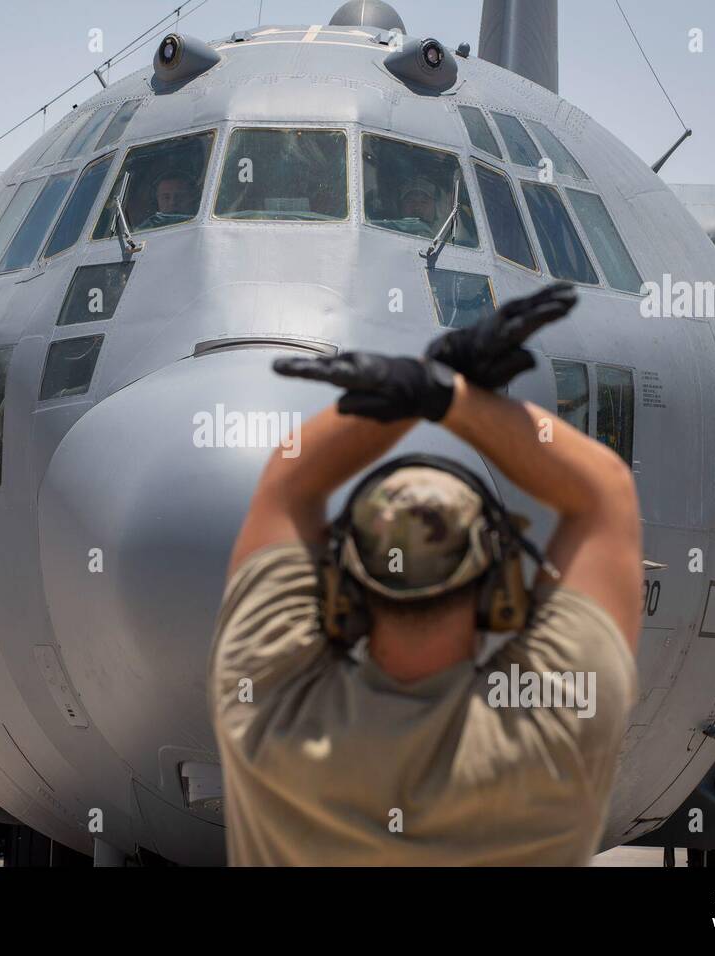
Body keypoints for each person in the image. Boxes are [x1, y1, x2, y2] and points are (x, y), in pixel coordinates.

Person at [207, 282, 641, 866]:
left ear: (343, 586)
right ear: (499, 588)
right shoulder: (556, 729)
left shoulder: (271, 716)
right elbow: (602, 493)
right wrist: (445, 392)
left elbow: (289, 481)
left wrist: (424, 384)